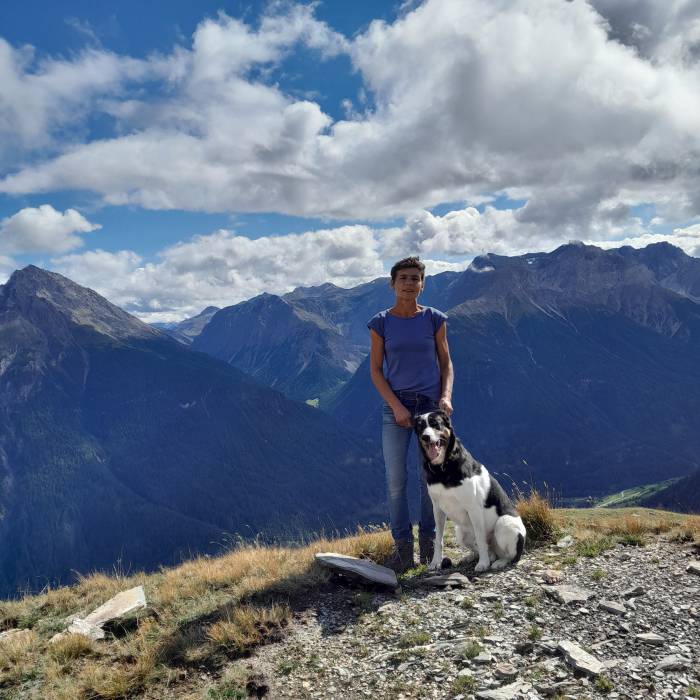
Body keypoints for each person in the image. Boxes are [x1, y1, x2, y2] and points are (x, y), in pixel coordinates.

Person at [367, 256, 454, 572]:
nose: (409, 283)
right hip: (396, 409)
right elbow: (376, 371)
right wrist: (396, 406)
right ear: (392, 283)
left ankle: (431, 548)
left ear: (423, 283)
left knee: (430, 480)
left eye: (415, 278)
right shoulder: (381, 323)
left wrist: (446, 395)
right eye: (403, 278)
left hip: (431, 408)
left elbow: (446, 363)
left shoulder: (434, 319)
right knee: (396, 481)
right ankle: (403, 551)